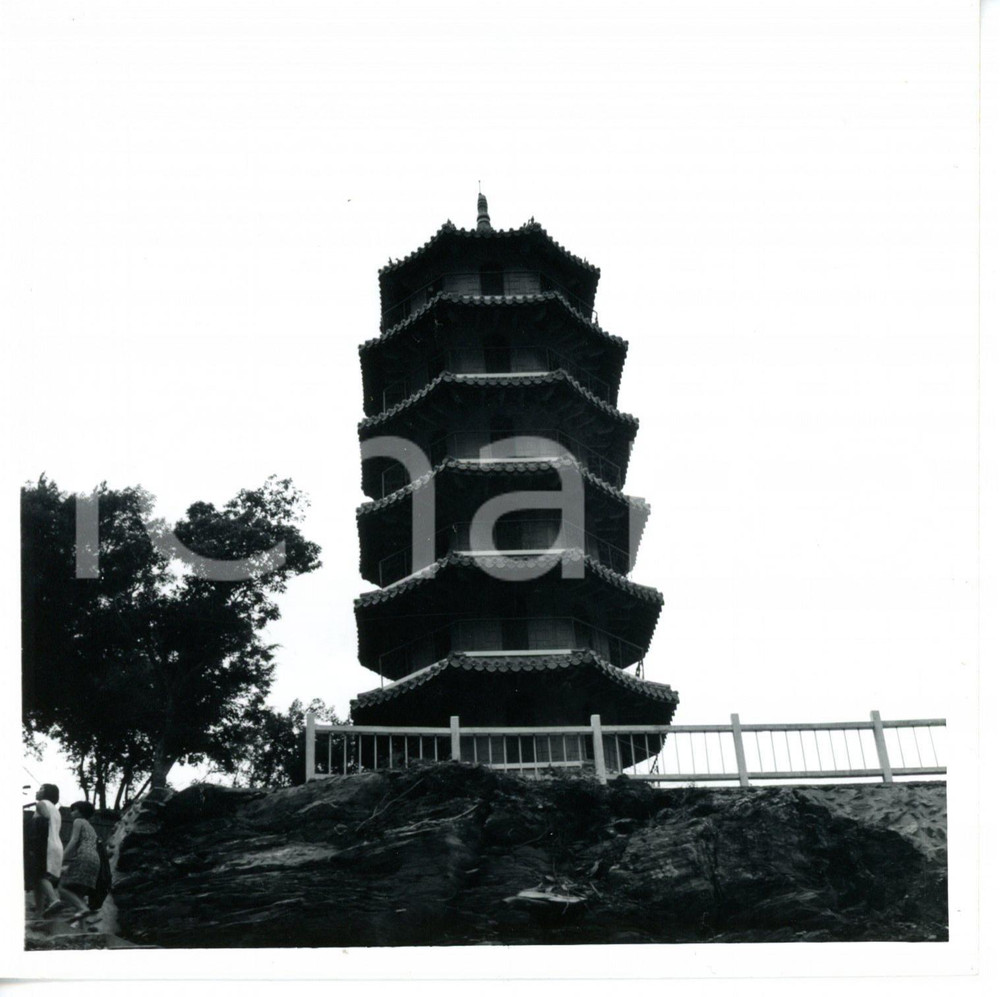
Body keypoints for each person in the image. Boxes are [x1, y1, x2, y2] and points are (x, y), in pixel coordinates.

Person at [59, 801, 102, 924]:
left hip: (84, 857)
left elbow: (74, 840)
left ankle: (84, 909)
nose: (72, 812)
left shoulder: (78, 821)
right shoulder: (91, 827)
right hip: (95, 860)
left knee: (63, 887)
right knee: (79, 894)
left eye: (75, 810)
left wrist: (61, 857)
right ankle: (83, 925)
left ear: (81, 812)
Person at [25, 784, 63, 917]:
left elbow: (44, 820)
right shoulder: (56, 810)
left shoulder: (41, 804)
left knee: (38, 874)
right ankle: (39, 913)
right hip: (56, 845)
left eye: (41, 789)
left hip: (43, 843)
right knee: (38, 878)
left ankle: (53, 900)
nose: (37, 791)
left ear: (47, 792)